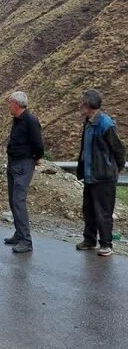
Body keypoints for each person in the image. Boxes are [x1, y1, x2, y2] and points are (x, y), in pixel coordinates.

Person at [75, 90, 125, 257]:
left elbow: (119, 150)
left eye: (82, 102)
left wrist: (113, 169)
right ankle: (89, 240)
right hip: (91, 176)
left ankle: (106, 244)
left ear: (89, 105)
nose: (79, 105)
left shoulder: (105, 124)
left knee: (103, 211)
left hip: (103, 177)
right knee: (88, 209)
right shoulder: (89, 121)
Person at [4, 92, 44, 253]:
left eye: (10, 102)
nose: (8, 105)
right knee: (13, 201)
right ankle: (19, 234)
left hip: (23, 165)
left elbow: (38, 145)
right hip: (13, 163)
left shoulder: (31, 121)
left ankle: (26, 241)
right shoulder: (17, 120)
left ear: (17, 104)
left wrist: (35, 157)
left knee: (19, 201)